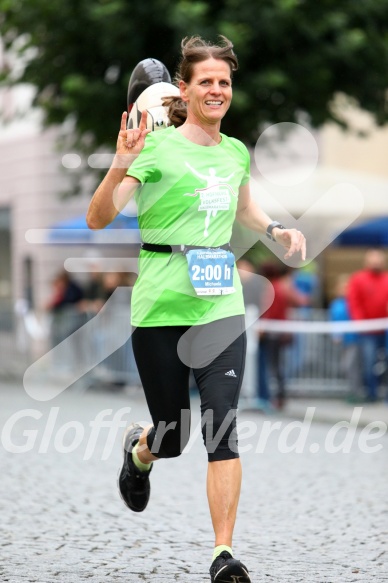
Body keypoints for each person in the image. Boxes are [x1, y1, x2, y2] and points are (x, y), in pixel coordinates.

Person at [86, 36, 306, 583]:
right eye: (205, 81)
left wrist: (277, 228)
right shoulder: (154, 149)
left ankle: (222, 555)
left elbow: (246, 208)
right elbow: (98, 217)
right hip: (161, 309)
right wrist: (121, 163)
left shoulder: (235, 152)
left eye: (224, 82)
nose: (216, 90)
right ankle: (139, 455)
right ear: (183, 89)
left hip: (220, 307)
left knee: (222, 429)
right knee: (172, 434)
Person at [257, 262, 310, 411]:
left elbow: (268, 310)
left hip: (272, 332)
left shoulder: (272, 288)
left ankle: (271, 397)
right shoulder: (282, 287)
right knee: (278, 366)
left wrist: (262, 327)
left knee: (271, 367)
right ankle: (280, 397)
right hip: (281, 332)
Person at [347, 248, 388, 402]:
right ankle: (372, 393)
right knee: (369, 362)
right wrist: (361, 323)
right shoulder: (358, 279)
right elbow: (354, 303)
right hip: (367, 331)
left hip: (385, 329)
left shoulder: (386, 278)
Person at [328, 274, 362, 402]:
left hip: (354, 339)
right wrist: (335, 335)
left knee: (351, 366)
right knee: (346, 367)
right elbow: (333, 321)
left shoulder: (354, 303)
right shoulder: (335, 304)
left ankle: (356, 392)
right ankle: (352, 390)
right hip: (342, 341)